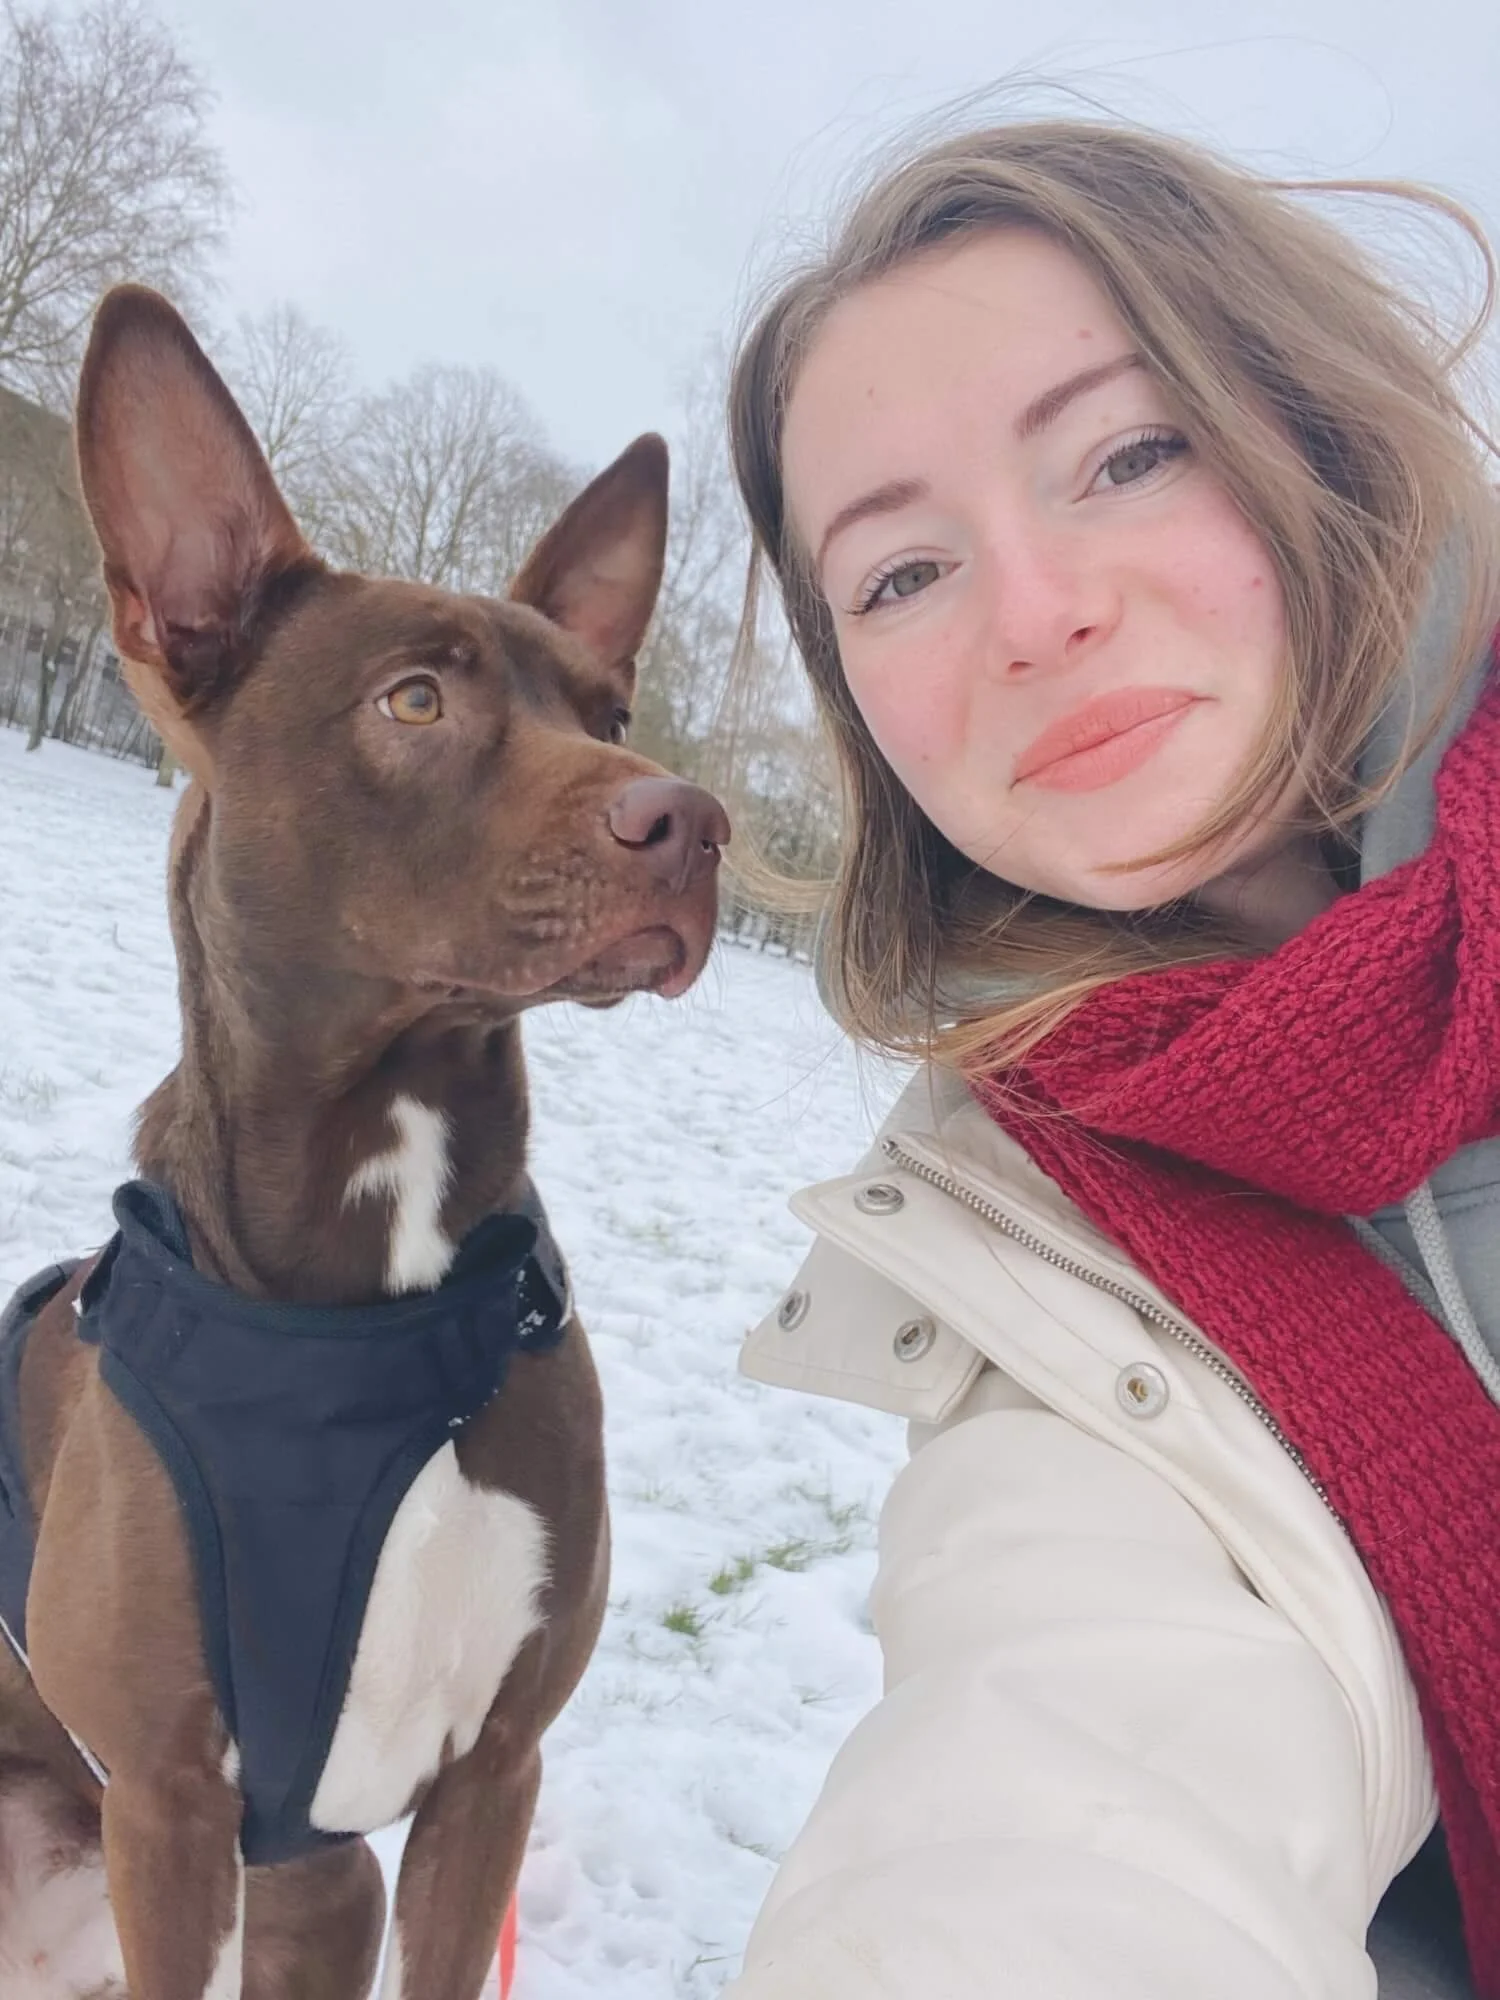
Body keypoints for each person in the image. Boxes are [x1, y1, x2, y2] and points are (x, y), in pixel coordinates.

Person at [723, 118, 1500, 2000]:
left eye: (1129, 454)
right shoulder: (1033, 1262)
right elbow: (1056, 1787)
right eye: (900, 575)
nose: (1036, 613)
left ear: (1312, 429)